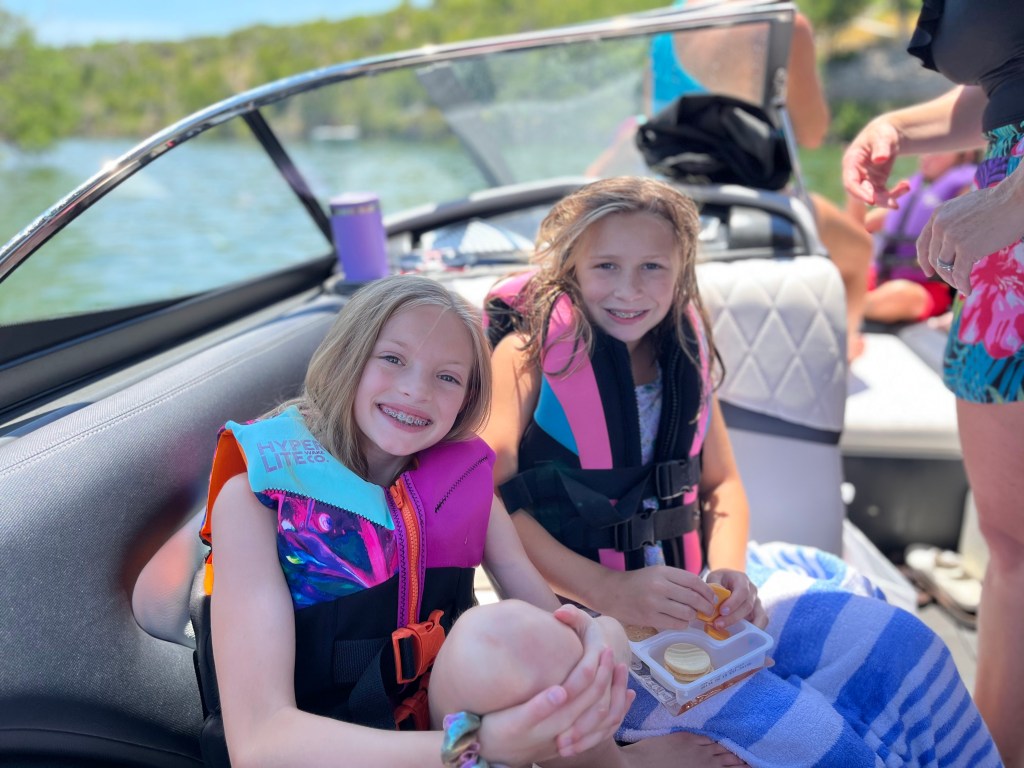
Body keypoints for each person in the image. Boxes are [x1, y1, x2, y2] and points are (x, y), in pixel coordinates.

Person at [193, 274, 639, 768]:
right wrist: (479, 745)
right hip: (330, 752)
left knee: (507, 633)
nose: (415, 390)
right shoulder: (254, 501)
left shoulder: (462, 485)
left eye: (447, 377)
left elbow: (554, 627)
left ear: (467, 398)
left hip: (439, 725)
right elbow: (258, 744)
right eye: (392, 359)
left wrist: (604, 636)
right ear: (348, 358)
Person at [483, 176, 763, 766]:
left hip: (683, 619)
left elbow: (722, 486)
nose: (628, 290)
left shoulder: (683, 351)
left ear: (682, 271)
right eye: (606, 265)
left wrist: (729, 574)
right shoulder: (525, 355)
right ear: (571, 266)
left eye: (652, 268)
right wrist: (607, 591)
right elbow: (482, 497)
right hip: (573, 618)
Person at [842, 2, 1024, 764]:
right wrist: (900, 128)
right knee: (1013, 550)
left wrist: (1013, 199)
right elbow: (1011, 86)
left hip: (1007, 216)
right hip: (1002, 250)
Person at [590, 1, 873, 361]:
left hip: (671, 195)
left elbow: (653, 116)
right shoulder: (784, 22)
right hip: (753, 200)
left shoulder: (669, 24)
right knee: (858, 250)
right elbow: (812, 133)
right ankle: (839, 351)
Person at [853, 150, 978, 325]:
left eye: (937, 150)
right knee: (843, 272)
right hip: (883, 277)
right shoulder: (911, 188)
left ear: (966, 152)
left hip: (931, 288)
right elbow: (858, 227)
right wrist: (857, 190)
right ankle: (854, 304)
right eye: (925, 150)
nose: (926, 155)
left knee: (899, 295)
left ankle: (850, 306)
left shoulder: (966, 188)